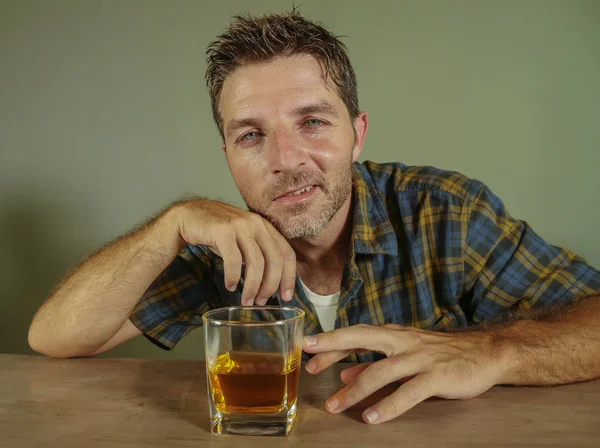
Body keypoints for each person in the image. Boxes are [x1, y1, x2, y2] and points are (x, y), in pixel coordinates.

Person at [28, 10, 600, 425]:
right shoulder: (218, 246)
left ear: (358, 135)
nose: (285, 161)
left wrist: (493, 352)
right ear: (227, 154)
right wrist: (172, 222)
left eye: (313, 122)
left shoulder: (447, 212)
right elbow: (56, 337)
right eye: (251, 135)